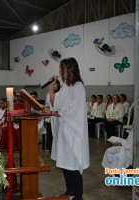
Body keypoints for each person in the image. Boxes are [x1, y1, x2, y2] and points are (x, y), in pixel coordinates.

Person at [43, 57, 90, 200]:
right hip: (64, 132)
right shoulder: (66, 88)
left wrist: (52, 113)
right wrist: (51, 88)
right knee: (65, 164)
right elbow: (55, 103)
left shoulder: (78, 87)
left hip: (74, 133)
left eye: (61, 69)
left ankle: (78, 195)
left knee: (74, 166)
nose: (59, 72)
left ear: (69, 70)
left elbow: (72, 111)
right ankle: (69, 191)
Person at [45, 79, 60, 151]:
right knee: (50, 132)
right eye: (52, 84)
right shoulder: (49, 94)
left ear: (58, 85)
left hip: (57, 114)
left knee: (56, 133)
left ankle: (56, 148)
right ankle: (49, 147)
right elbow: (47, 103)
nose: (53, 86)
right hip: (50, 114)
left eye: (55, 84)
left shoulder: (60, 93)